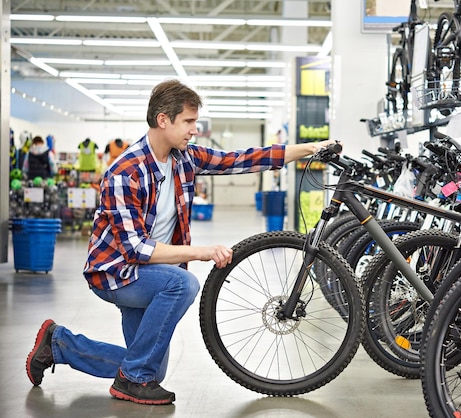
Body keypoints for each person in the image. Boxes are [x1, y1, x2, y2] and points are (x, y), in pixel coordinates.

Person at [25, 79, 337, 405]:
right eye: (188, 121)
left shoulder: (183, 158)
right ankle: (131, 378)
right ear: (163, 119)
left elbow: (239, 159)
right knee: (182, 284)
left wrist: (310, 149)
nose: (194, 129)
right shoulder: (125, 172)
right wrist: (202, 252)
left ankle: (58, 344)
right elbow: (136, 249)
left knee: (148, 370)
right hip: (115, 273)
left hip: (150, 273)